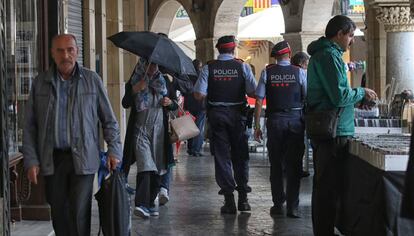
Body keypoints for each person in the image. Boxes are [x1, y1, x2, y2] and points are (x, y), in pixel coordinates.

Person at [23, 34, 122, 236]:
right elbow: (30, 126)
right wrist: (31, 160)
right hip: (52, 159)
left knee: (79, 212)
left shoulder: (92, 80)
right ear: (52, 53)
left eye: (70, 50)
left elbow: (109, 120)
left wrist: (114, 150)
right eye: (60, 50)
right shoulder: (40, 83)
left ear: (77, 52)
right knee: (59, 213)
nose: (65, 55)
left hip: (84, 157)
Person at [306, 15, 377, 235]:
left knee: (327, 185)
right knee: (328, 187)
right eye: (350, 35)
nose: (352, 41)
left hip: (332, 127)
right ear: (339, 34)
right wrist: (362, 92)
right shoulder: (329, 56)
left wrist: (356, 102)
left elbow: (334, 96)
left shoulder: (326, 54)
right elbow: (338, 96)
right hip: (333, 131)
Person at [194, 35, 257, 214]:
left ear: (218, 49)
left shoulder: (209, 67)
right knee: (241, 155)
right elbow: (253, 91)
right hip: (238, 115)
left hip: (217, 116)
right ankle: (243, 199)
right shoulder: (242, 66)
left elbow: (198, 94)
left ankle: (229, 200)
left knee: (222, 157)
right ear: (233, 49)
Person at [253, 41, 307, 218]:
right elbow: (307, 97)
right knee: (294, 165)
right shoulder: (299, 72)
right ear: (289, 55)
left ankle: (278, 203)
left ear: (275, 56)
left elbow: (259, 100)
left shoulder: (267, 72)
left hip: (274, 121)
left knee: (276, 164)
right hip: (295, 121)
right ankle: (293, 206)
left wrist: (256, 126)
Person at [122, 58, 171, 219]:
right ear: (143, 64)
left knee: (157, 167)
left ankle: (151, 202)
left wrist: (168, 102)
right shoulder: (135, 79)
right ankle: (141, 204)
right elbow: (125, 103)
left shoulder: (162, 81)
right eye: (150, 64)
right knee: (145, 166)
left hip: (159, 131)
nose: (153, 67)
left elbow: (173, 104)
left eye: (156, 64)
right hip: (140, 130)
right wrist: (136, 89)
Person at [291, 51, 311, 178]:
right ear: (302, 63)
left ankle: (283, 167)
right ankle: (296, 169)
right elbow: (306, 94)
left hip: (279, 113)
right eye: (307, 64)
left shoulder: (277, 71)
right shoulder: (301, 73)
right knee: (297, 144)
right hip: (297, 113)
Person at [185, 59, 206, 157]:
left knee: (190, 127)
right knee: (199, 127)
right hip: (200, 105)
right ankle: (196, 149)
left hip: (189, 105)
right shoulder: (202, 76)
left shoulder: (187, 76)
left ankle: (190, 148)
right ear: (199, 66)